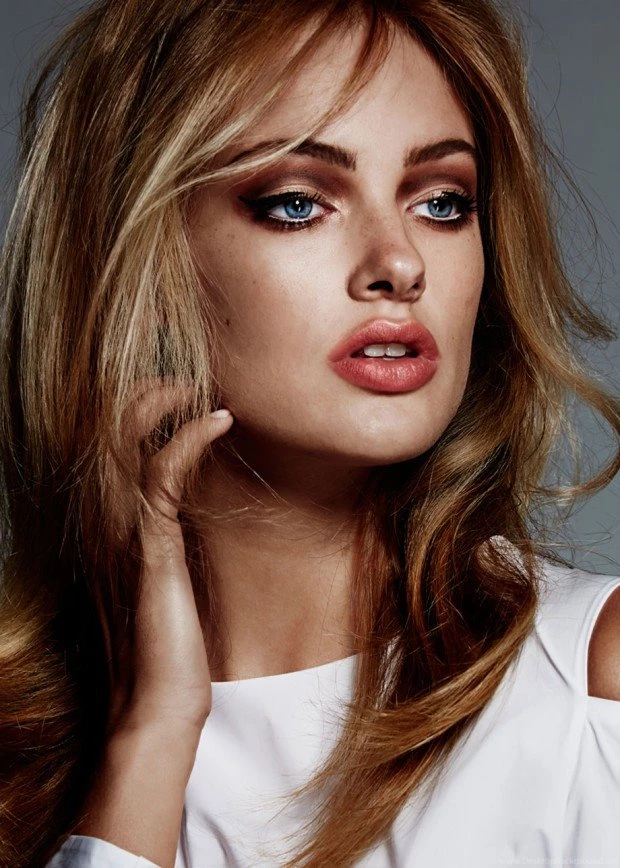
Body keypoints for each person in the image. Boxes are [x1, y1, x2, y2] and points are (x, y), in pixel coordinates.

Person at [0, 0, 618, 866]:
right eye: (297, 204)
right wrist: (152, 734)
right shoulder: (25, 755)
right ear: (138, 257)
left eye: (443, 202)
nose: (400, 263)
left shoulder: (590, 691)